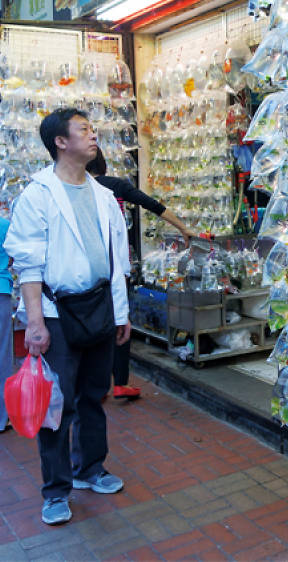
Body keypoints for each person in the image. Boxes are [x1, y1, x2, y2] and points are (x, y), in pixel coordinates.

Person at [3, 108, 131, 526]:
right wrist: (35, 323)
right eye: (84, 130)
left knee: (94, 395)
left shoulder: (101, 193)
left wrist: (121, 312)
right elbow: (28, 263)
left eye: (93, 129)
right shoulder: (38, 194)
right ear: (61, 142)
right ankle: (56, 491)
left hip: (99, 307)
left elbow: (117, 260)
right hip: (57, 313)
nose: (93, 136)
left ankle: (90, 469)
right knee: (56, 406)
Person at [86, 147, 196, 400]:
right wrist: (183, 228)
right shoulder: (114, 186)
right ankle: (120, 382)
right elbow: (153, 206)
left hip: (90, 269)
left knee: (95, 324)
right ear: (102, 164)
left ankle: (98, 383)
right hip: (117, 266)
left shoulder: (77, 190)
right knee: (120, 320)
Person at [0, 216, 12, 432]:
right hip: (1, 291)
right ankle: (2, 417)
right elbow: (13, 257)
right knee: (2, 355)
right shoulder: (4, 225)